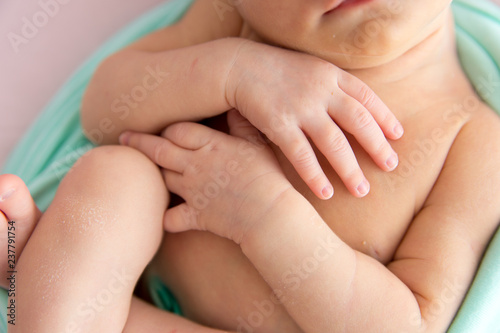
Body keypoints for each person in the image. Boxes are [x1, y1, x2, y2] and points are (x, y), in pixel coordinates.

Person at [2, 0, 500, 332]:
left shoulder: (473, 141)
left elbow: (409, 324)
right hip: (129, 275)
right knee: (114, 173)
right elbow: (103, 112)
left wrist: (267, 215)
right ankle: (50, 286)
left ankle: (35, 274)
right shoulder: (236, 23)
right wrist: (233, 70)